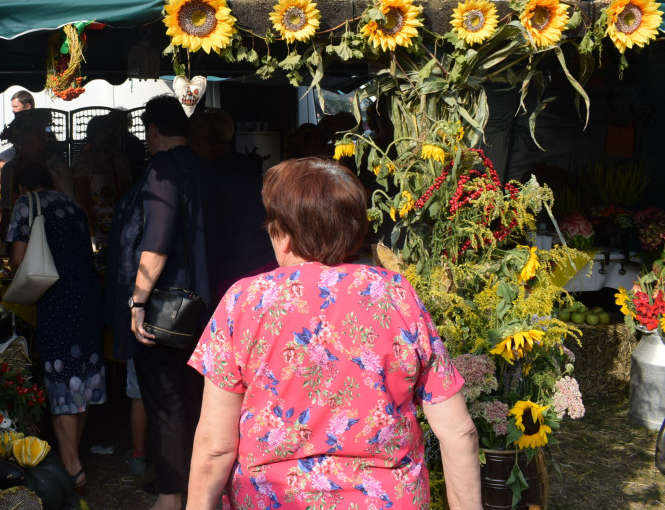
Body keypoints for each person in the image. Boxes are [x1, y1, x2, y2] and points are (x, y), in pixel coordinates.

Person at [186, 158, 481, 510]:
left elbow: (215, 447)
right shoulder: (396, 296)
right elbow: (458, 431)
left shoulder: (244, 302)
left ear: (283, 235)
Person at [109, 95, 216, 510]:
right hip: (203, 303)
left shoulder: (162, 168)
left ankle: (172, 496)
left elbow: (156, 241)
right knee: (193, 398)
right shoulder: (202, 165)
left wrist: (137, 301)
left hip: (167, 310)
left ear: (152, 130)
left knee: (166, 402)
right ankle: (195, 489)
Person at [7, 162, 105, 493]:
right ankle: (73, 460)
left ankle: (72, 468)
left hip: (58, 298)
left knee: (62, 378)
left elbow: (20, 258)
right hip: (88, 294)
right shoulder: (72, 202)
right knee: (82, 378)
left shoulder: (26, 204)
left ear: (22, 188)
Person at [188, 108, 276, 304]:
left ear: (199, 143)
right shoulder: (245, 165)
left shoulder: (205, 174)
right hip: (265, 261)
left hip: (232, 271)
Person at [0, 108, 73, 237]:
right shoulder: (10, 169)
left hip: (55, 230)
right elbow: (7, 208)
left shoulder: (57, 166)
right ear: (23, 137)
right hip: (21, 232)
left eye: (42, 131)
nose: (44, 136)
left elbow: (69, 202)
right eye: (36, 132)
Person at [73, 115, 131, 251]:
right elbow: (81, 200)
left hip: (119, 226)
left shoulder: (119, 160)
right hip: (94, 227)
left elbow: (127, 193)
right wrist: (91, 235)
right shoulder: (83, 161)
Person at [0, 90, 35, 193]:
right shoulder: (10, 156)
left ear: (27, 106)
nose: (13, 110)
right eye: (12, 107)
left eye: (15, 107)